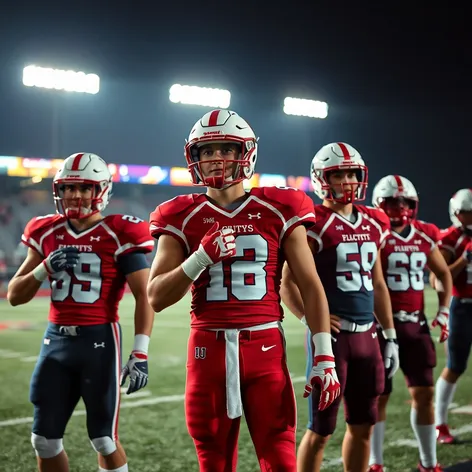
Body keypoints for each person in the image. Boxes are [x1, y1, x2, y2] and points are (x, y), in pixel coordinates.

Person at [147, 109, 341, 471]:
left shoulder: (280, 206)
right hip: (207, 351)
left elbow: (310, 284)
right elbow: (156, 296)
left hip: (265, 348)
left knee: (281, 460)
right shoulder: (179, 214)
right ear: (194, 158)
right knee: (214, 463)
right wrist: (200, 258)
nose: (216, 158)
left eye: (226, 148)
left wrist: (324, 356)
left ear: (245, 153)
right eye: (207, 151)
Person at [7, 152, 155, 472]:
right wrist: (44, 268)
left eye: (84, 188)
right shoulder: (44, 230)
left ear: (100, 190)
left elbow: (145, 296)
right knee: (43, 440)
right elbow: (15, 296)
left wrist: (139, 352)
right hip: (55, 342)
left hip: (99, 341)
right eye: (69, 188)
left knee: (104, 439)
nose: (75, 195)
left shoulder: (120, 231)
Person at [281, 142, 400, 472]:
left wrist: (389, 334)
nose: (347, 180)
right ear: (322, 180)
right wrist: (309, 318)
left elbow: (377, 284)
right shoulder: (313, 223)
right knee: (321, 431)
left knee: (363, 427)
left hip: (369, 336)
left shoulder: (375, 222)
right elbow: (287, 283)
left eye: (351, 173)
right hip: (333, 341)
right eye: (338, 174)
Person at [367, 175, 452, 472]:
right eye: (393, 201)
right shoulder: (373, 233)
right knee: (379, 396)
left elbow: (443, 274)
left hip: (415, 325)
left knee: (424, 394)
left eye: (405, 201)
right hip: (379, 328)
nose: (400, 207)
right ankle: (375, 463)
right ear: (380, 203)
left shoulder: (425, 234)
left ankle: (428, 462)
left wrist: (443, 310)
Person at [432, 188, 472, 444]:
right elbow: (438, 279)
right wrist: (465, 259)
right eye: (468, 213)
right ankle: (440, 424)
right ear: (457, 213)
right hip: (462, 307)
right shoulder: (449, 238)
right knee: (455, 366)